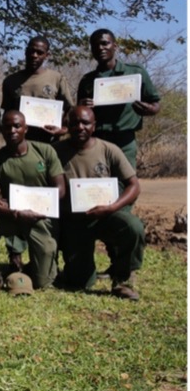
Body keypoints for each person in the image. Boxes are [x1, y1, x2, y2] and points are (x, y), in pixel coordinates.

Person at [53, 106, 143, 300]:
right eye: (74, 123)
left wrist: (112, 207)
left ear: (94, 126)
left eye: (85, 123)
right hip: (74, 221)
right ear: (67, 125)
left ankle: (122, 280)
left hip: (106, 216)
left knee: (132, 226)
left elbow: (133, 185)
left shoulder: (109, 149)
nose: (80, 127)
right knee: (80, 283)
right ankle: (73, 270)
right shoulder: (55, 151)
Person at [0, 110, 65, 293]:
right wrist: (13, 212)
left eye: (17, 126)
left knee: (43, 283)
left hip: (39, 217)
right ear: (1, 130)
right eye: (7, 127)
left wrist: (40, 208)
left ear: (26, 128)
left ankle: (36, 265)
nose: (12, 130)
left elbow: (60, 189)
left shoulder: (45, 151)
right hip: (10, 216)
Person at [76, 28, 161, 170]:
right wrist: (81, 106)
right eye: (95, 45)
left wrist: (150, 109)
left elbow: (155, 103)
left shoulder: (135, 72)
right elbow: (77, 113)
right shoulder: (87, 80)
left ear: (115, 46)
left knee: (126, 181)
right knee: (99, 182)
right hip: (97, 139)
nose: (100, 48)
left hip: (124, 139)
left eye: (105, 43)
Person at [1, 36, 74, 144]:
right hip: (19, 143)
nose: (34, 55)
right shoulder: (11, 81)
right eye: (31, 51)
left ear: (47, 55)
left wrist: (63, 129)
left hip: (49, 143)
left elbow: (70, 109)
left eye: (39, 52)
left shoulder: (57, 79)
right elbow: (7, 114)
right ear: (26, 52)